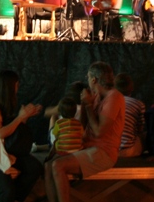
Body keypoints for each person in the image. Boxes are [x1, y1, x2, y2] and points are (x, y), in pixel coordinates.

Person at [45, 61, 126, 202]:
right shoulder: (96, 97)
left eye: (88, 77)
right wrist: (84, 104)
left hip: (104, 152)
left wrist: (88, 105)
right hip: (87, 147)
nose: (87, 80)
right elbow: (82, 126)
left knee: (58, 166)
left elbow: (99, 132)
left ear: (94, 79)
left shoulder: (114, 97)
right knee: (47, 166)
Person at [0, 70, 43, 202]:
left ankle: (13, 200)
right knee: (7, 189)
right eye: (16, 85)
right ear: (10, 87)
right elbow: (0, 133)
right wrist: (20, 117)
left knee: (34, 167)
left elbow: (12, 130)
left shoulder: (3, 105)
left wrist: (25, 116)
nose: (17, 89)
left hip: (4, 150)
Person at [114, 73, 144, 157]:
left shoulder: (108, 103)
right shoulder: (138, 104)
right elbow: (140, 129)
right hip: (127, 151)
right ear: (131, 88)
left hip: (109, 151)